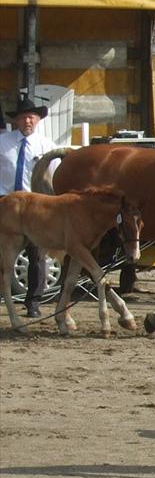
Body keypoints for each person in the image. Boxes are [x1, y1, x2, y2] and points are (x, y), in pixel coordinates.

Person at [0, 96, 54, 317]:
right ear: (16, 121)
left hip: (34, 206)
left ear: (38, 119)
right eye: (22, 117)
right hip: (5, 203)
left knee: (37, 255)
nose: (27, 121)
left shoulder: (47, 146)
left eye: (30, 117)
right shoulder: (2, 143)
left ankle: (33, 303)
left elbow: (53, 178)